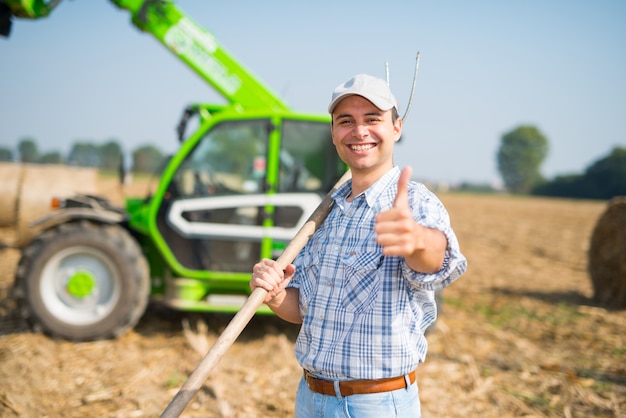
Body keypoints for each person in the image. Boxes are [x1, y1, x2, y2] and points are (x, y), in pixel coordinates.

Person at [250, 73, 467, 417]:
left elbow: (437, 260)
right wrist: (275, 295)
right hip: (310, 397)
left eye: (373, 119)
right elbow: (301, 310)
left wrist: (416, 241)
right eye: (346, 121)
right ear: (334, 134)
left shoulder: (413, 202)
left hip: (374, 404)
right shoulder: (327, 212)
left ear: (396, 128)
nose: (359, 131)